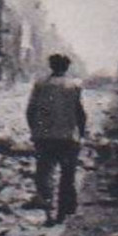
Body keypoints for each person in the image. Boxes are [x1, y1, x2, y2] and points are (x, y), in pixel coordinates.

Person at [25, 53, 86, 225]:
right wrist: (81, 134)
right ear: (67, 67)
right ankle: (63, 211)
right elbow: (80, 113)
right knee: (67, 175)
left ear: (51, 66)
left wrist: (35, 131)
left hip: (44, 138)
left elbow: (30, 111)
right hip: (68, 138)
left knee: (44, 173)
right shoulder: (74, 85)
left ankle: (48, 209)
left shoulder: (40, 85)